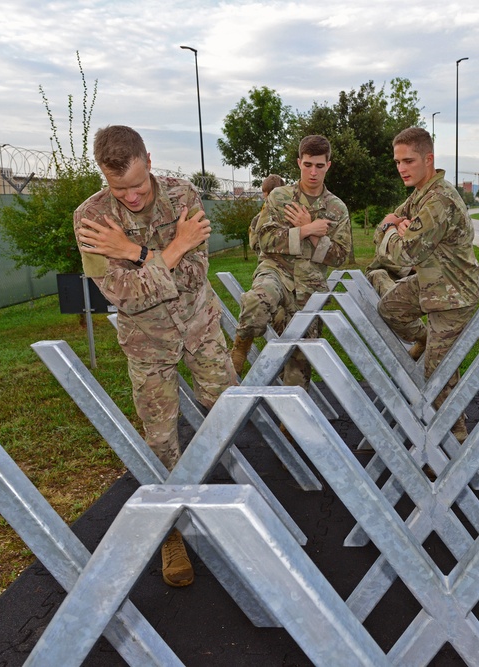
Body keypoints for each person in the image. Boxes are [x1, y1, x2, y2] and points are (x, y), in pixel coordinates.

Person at [74, 125, 235, 587]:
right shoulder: (90, 218)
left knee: (227, 411)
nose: (130, 197)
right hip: (147, 343)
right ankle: (172, 531)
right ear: (104, 176)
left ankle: (217, 494)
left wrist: (134, 251)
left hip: (200, 328)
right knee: (160, 439)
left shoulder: (183, 195)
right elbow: (124, 296)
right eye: (118, 188)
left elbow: (193, 276)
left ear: (149, 158)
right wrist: (171, 249)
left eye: (139, 185)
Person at [374, 127, 479, 443]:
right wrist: (393, 225)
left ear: (428, 159)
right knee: (389, 308)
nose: (401, 168)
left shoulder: (439, 200)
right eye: (397, 162)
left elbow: (403, 254)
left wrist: (389, 230)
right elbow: (391, 220)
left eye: (408, 160)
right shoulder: (420, 194)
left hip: (453, 294)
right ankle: (423, 337)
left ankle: (453, 441)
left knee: (438, 377)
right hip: (430, 283)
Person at [230, 135, 352, 389]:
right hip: (276, 272)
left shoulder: (337, 209)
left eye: (319, 166)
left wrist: (316, 236)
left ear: (328, 165)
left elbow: (341, 256)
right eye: (308, 164)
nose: (313, 172)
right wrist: (307, 230)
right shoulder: (279, 197)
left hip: (310, 287)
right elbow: (264, 239)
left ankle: (289, 428)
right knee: (257, 301)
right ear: (299, 163)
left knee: (298, 374)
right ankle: (242, 342)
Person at [248, 174, 286, 255]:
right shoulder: (260, 216)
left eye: (265, 192)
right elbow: (254, 242)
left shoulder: (265, 213)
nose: (264, 195)